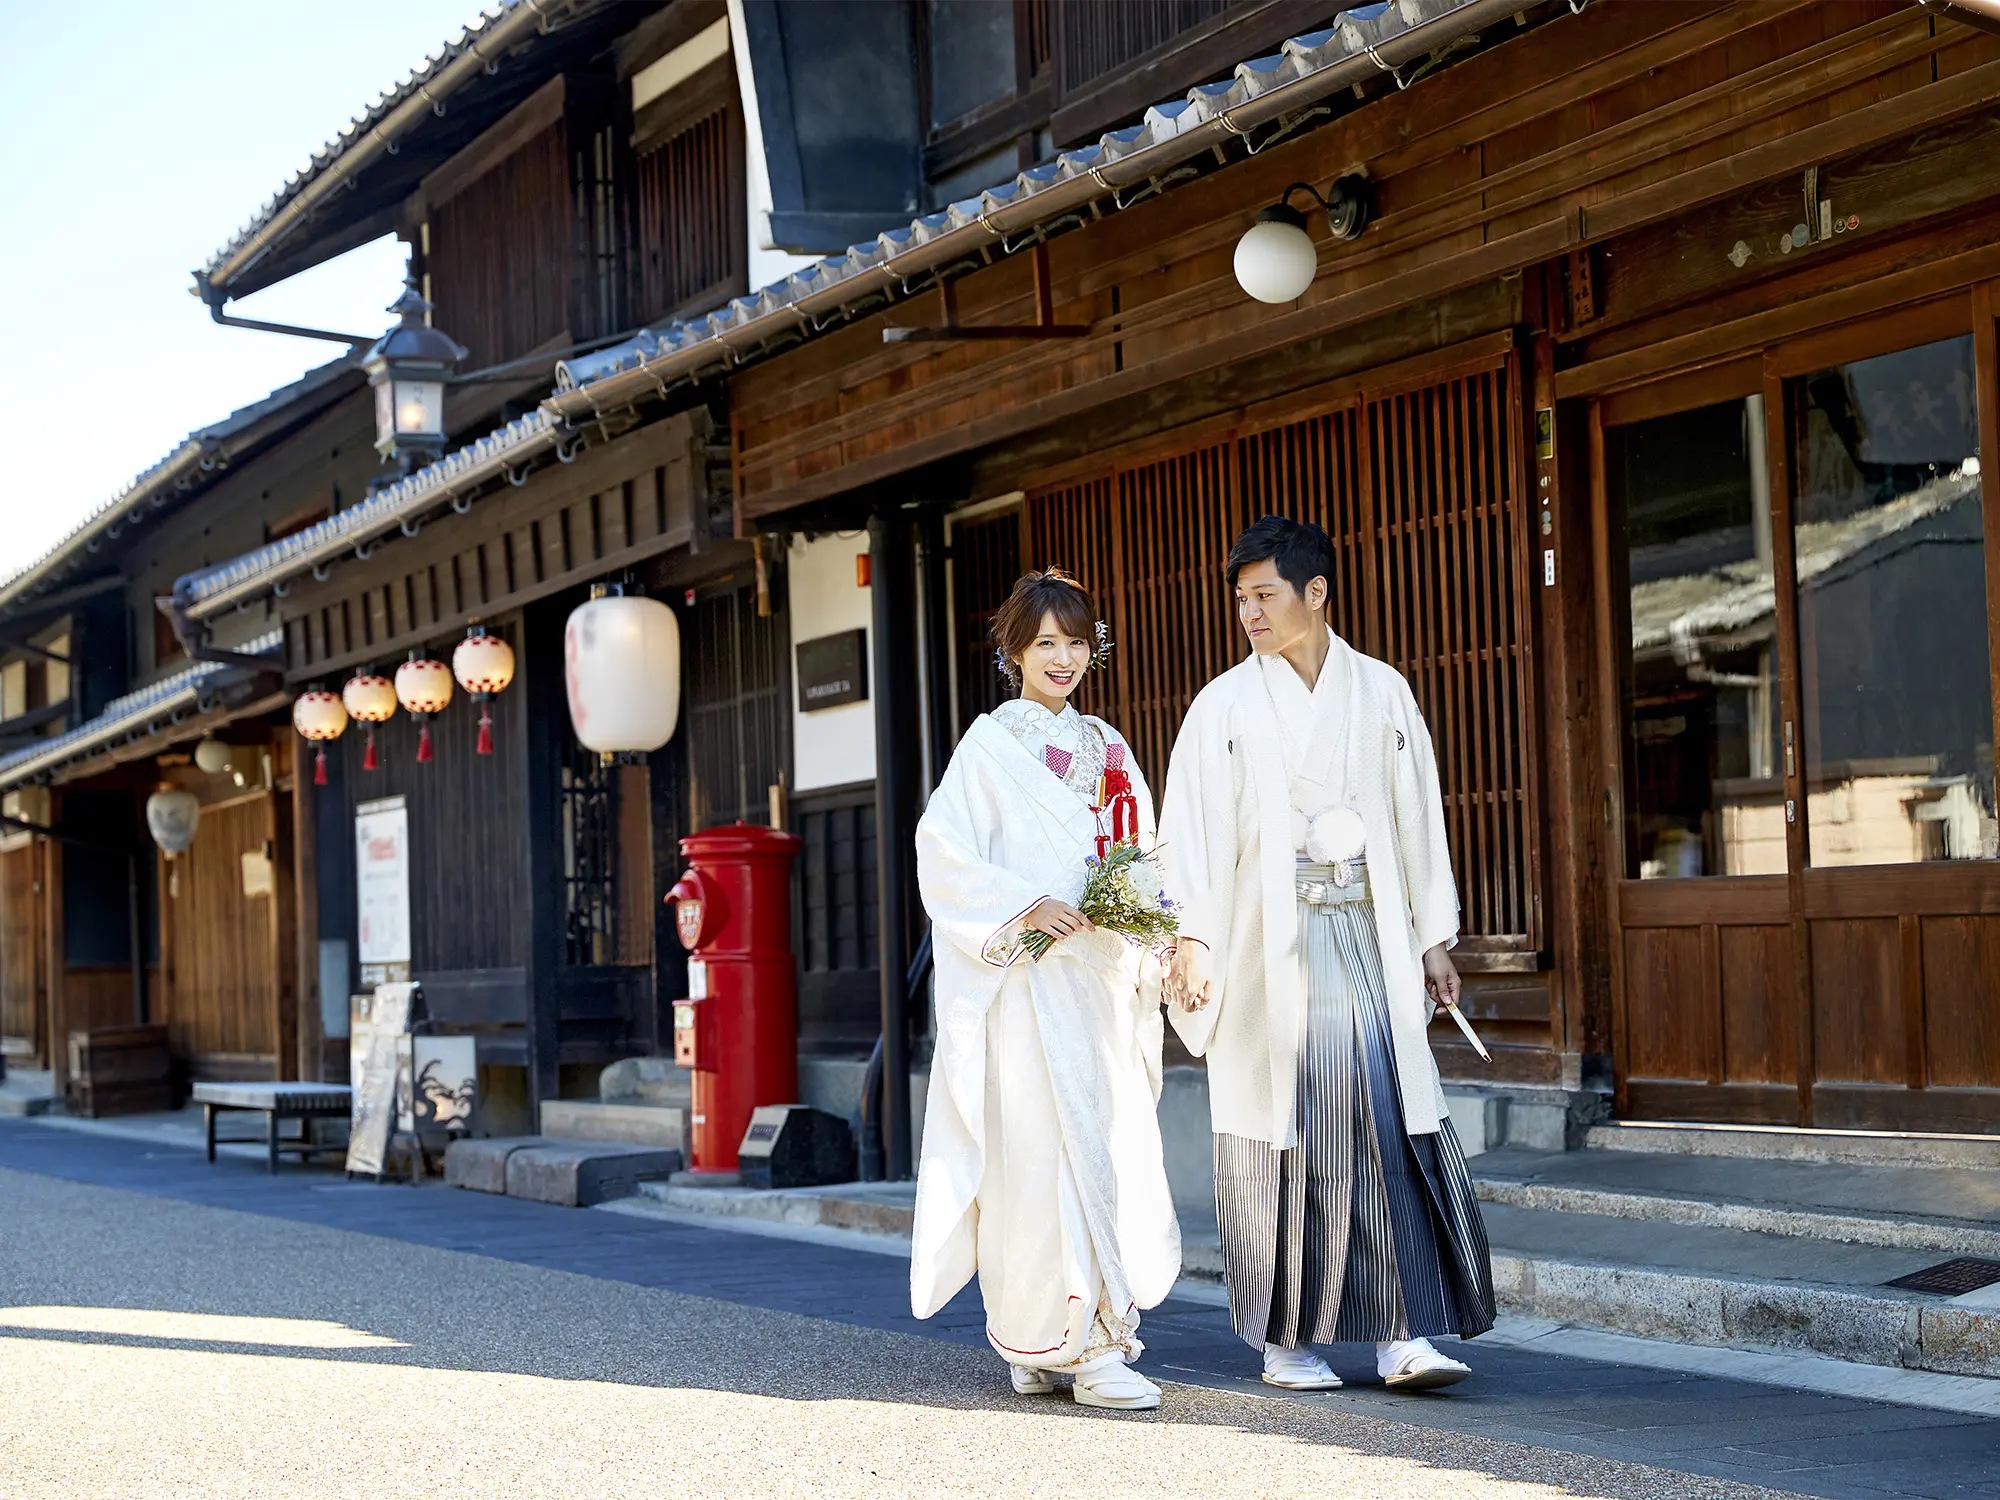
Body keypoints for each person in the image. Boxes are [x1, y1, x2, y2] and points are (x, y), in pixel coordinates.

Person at [1157, 516, 1496, 1392]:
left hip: (1367, 934)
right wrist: (1191, 936)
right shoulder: (1221, 707)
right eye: (1241, 599)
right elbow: (1189, 833)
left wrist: (1431, 937)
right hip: (1267, 947)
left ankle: (1402, 1333)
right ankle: (1287, 1342)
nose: (1250, 613)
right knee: (1288, 1136)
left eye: (1264, 595)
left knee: (1385, 1121)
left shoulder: (1380, 691)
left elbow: (1417, 813)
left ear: (1316, 592)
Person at [910, 568, 1180, 1411]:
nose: (1062, 658)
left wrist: (1151, 929)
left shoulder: (1110, 747)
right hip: (1025, 988)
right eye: (1044, 644)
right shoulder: (989, 749)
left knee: (1104, 1149)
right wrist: (1024, 905)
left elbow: (1144, 852)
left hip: (1097, 981)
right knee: (1032, 1161)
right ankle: (1045, 1337)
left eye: (1075, 642)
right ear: (1014, 653)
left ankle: (1096, 1339)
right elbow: (942, 853)